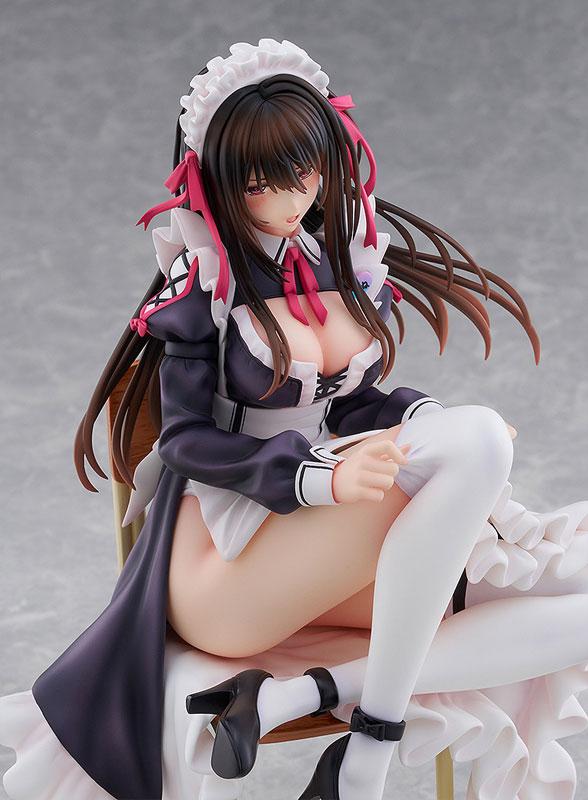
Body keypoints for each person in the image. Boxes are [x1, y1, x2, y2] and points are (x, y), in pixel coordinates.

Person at [2, 38, 588, 800]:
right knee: (470, 443)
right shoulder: (205, 287)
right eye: (259, 185)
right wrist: (318, 476)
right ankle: (367, 759)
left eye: (303, 175)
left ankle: (300, 700)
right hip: (226, 558)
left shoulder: (336, 261)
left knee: (557, 600)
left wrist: (419, 422)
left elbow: (350, 402)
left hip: (317, 549)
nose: (288, 200)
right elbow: (183, 440)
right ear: (217, 183)